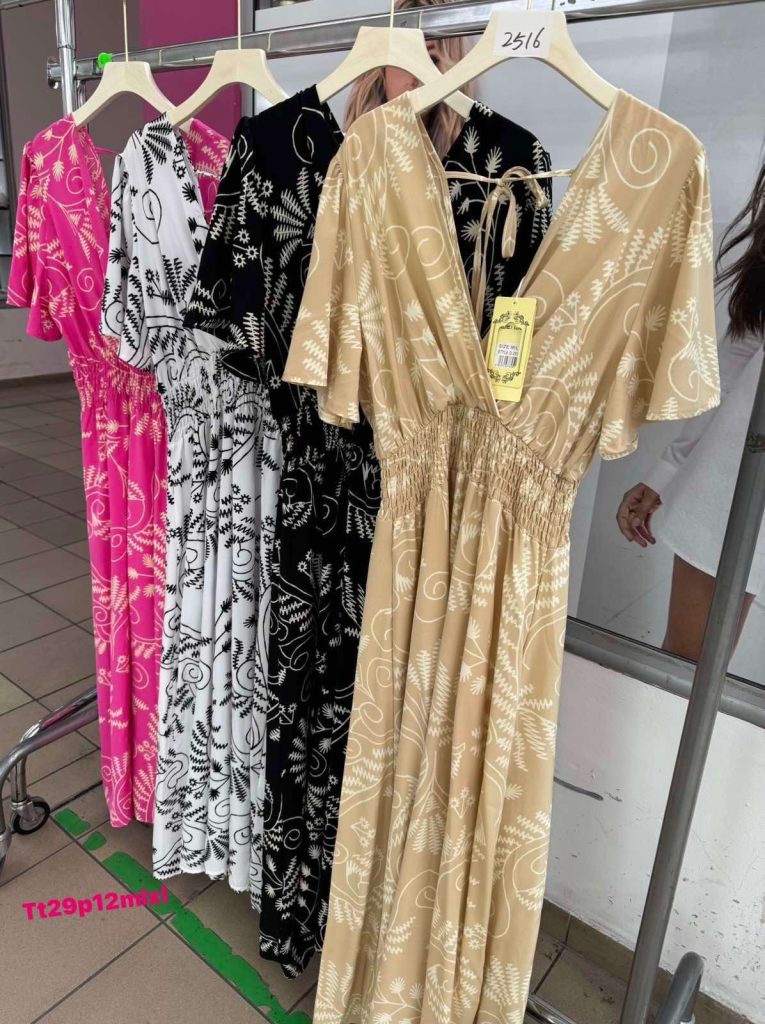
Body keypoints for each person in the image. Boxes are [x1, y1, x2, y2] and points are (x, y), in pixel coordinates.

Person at [617, 161, 765, 661]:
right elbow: (737, 361)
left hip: (736, 482)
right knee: (688, 663)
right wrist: (669, 471)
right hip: (736, 482)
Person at [344, 0, 474, 154]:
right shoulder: (345, 156)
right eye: (404, 57)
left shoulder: (476, 155)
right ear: (382, 68)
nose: (415, 77)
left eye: (431, 60)